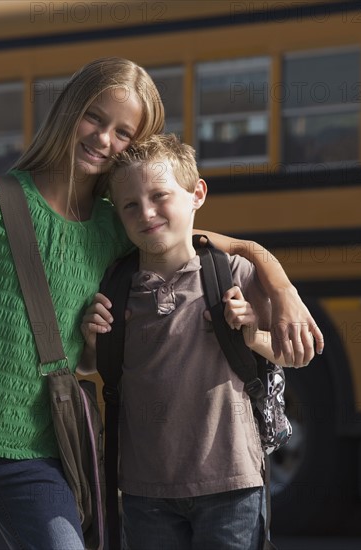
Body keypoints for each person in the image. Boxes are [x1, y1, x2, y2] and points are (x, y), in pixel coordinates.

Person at [0, 58, 321, 550]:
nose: (103, 139)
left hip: (37, 449)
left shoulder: (118, 223)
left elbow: (215, 243)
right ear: (68, 110)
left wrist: (283, 289)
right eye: (94, 117)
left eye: (123, 133)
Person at [81, 133, 312, 550]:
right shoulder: (114, 286)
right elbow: (89, 367)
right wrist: (92, 342)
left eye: (160, 196)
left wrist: (252, 334)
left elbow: (295, 355)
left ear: (196, 194)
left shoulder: (234, 274)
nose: (146, 212)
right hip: (144, 490)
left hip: (232, 484)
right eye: (130, 205)